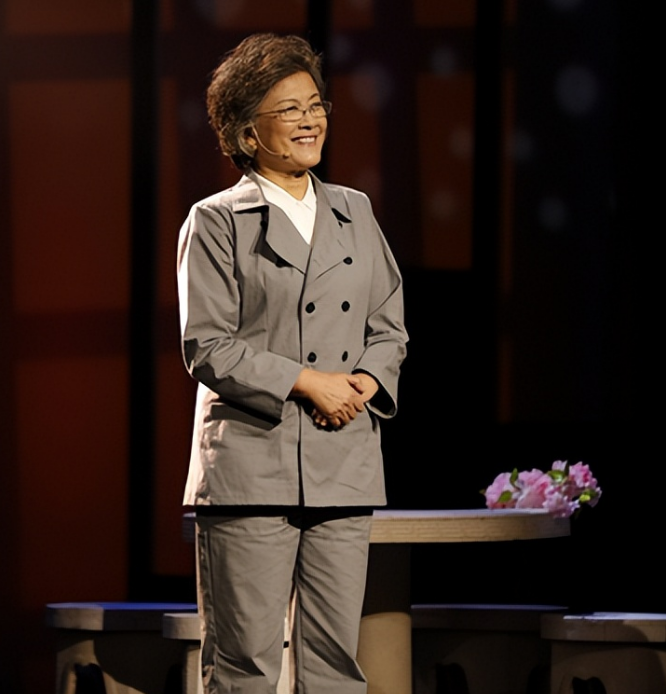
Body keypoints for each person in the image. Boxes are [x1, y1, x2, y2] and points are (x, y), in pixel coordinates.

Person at [176, 32, 408, 694]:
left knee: (337, 666)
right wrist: (308, 383)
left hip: (344, 461)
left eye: (315, 105)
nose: (310, 121)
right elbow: (207, 344)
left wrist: (364, 382)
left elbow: (389, 323)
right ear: (247, 132)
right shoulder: (216, 221)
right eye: (289, 110)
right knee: (246, 665)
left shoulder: (353, 210)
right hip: (252, 464)